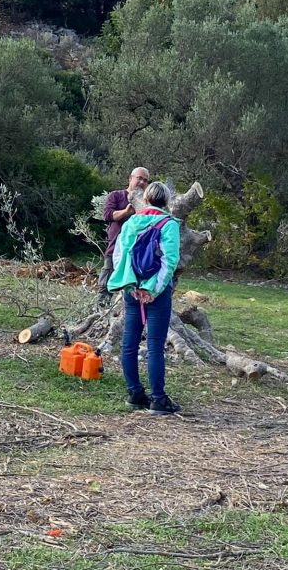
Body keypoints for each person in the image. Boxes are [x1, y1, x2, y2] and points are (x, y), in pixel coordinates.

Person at [107, 181, 182, 415]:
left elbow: (120, 257)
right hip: (157, 295)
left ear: (146, 200)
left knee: (129, 344)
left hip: (132, 291)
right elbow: (169, 262)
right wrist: (153, 290)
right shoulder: (169, 225)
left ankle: (135, 394)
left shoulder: (131, 223)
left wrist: (132, 287)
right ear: (166, 202)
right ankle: (158, 399)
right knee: (155, 346)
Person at [98, 167, 151, 304]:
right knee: (106, 286)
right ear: (130, 179)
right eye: (139, 178)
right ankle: (100, 313)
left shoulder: (148, 203)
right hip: (114, 248)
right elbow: (108, 215)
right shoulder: (116, 195)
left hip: (138, 254)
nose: (141, 182)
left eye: (145, 180)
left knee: (133, 288)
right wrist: (126, 212)